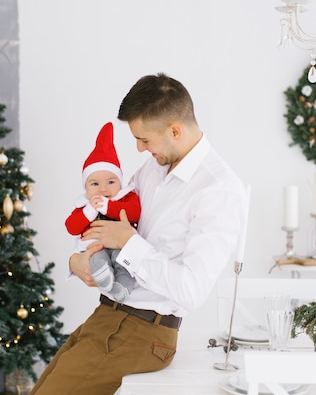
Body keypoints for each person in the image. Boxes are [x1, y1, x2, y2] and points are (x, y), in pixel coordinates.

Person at [30, 73, 247, 395]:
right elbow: (111, 223)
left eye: (144, 139)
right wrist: (78, 260)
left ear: (175, 130)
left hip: (145, 331)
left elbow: (191, 290)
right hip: (109, 315)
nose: (139, 148)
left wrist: (128, 244)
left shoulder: (219, 190)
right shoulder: (153, 168)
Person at [65, 122, 141, 302]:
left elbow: (134, 213)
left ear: (120, 182)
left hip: (120, 246)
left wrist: (109, 207)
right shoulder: (84, 205)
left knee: (124, 263)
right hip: (95, 246)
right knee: (96, 260)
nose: (103, 189)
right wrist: (89, 211)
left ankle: (121, 289)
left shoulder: (124, 197)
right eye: (95, 184)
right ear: (85, 187)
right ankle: (104, 278)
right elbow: (71, 227)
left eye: (111, 182)